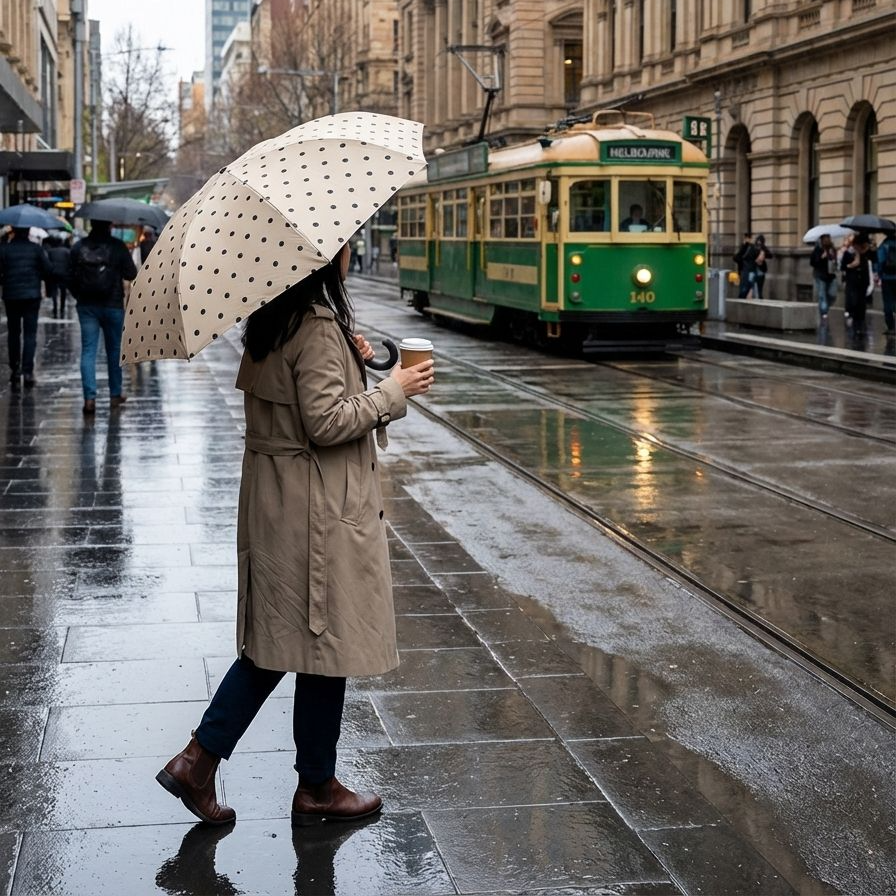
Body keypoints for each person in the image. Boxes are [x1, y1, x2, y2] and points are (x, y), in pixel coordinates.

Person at [155, 243, 435, 827]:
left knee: (292, 641)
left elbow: (307, 393)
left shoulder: (272, 320)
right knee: (315, 643)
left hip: (279, 498)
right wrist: (394, 390)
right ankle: (267, 775)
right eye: (345, 246)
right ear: (324, 260)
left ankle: (247, 770)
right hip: (316, 506)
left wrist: (354, 360)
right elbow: (327, 422)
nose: (351, 254)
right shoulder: (314, 326)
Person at [69, 219, 138, 414]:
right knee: (115, 350)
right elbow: (131, 273)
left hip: (87, 306)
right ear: (109, 225)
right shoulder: (117, 246)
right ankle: (115, 394)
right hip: (113, 305)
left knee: (88, 351)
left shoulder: (78, 247)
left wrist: (79, 295)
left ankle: (89, 398)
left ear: (91, 224)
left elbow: (69, 275)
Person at [0, 226, 51, 389]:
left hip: (11, 295)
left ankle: (15, 370)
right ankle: (28, 371)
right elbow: (48, 270)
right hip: (31, 296)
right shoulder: (36, 249)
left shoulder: (4, 250)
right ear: (28, 231)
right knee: (30, 334)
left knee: (13, 333)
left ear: (13, 230)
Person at [841, 233, 873, 333]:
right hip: (852, 280)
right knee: (854, 300)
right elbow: (843, 267)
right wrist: (851, 265)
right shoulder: (848, 253)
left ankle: (860, 322)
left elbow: (868, 266)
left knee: (861, 302)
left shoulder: (866, 254)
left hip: (863, 281)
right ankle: (854, 318)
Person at [810, 233, 838, 322]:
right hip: (820, 275)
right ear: (822, 240)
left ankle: (825, 308)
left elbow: (835, 261)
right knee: (822, 295)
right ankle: (824, 313)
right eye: (825, 239)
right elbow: (812, 262)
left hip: (831, 275)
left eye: (828, 238)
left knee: (832, 294)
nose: (827, 240)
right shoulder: (817, 249)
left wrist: (832, 256)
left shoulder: (832, 249)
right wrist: (822, 257)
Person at [45, 235, 72, 317]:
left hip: (53, 273)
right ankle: (62, 308)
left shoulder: (50, 251)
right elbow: (69, 263)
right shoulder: (66, 251)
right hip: (64, 274)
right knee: (63, 292)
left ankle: (55, 307)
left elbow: (47, 263)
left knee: (54, 291)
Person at [877, 230, 896, 336]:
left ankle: (891, 327)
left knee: (888, 302)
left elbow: (880, 261)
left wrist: (880, 274)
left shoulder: (884, 245)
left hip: (887, 277)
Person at [752, 234, 773, 299]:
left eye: (760, 241)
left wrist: (763, 254)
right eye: (758, 240)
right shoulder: (754, 248)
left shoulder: (763, 248)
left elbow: (770, 255)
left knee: (760, 286)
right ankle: (756, 297)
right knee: (754, 285)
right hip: (754, 269)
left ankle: (759, 296)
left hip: (761, 269)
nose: (759, 242)